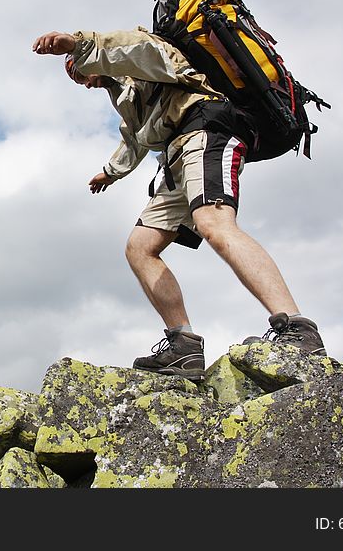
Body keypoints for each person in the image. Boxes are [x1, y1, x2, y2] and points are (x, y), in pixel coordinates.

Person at [32, 27, 325, 382]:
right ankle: (183, 346)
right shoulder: (126, 91)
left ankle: (297, 328)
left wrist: (76, 44)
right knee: (140, 248)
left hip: (206, 130)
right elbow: (136, 136)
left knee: (215, 223)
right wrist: (110, 172)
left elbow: (126, 48)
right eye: (75, 77)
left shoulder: (146, 54)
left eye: (77, 70)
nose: (80, 79)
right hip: (175, 154)